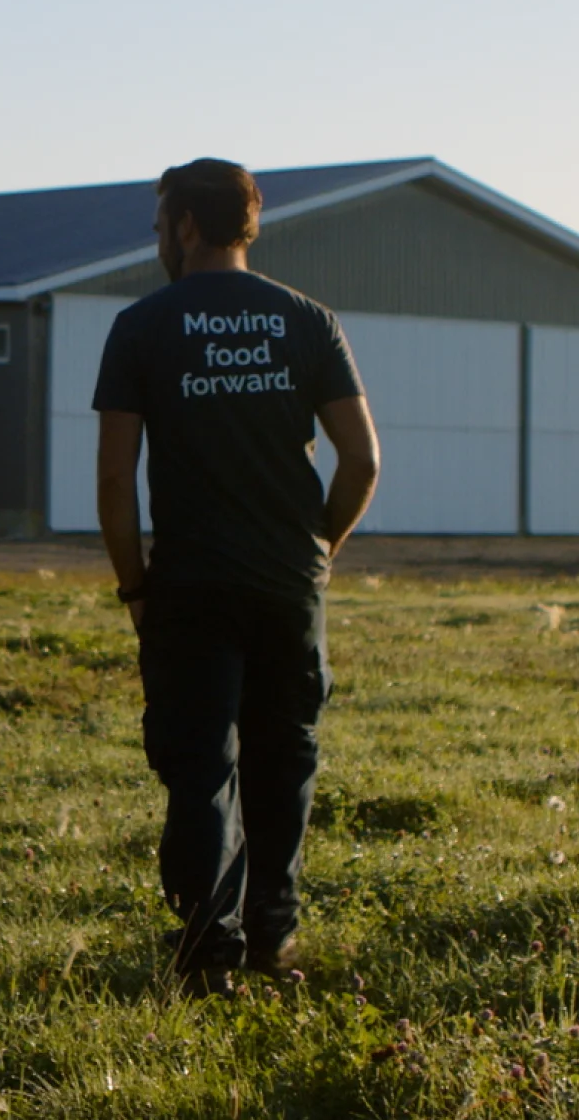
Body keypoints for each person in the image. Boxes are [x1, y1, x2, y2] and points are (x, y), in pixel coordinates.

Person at [93, 159, 379, 994]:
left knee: (199, 766)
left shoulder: (142, 326)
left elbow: (115, 481)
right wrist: (318, 547)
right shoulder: (308, 320)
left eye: (158, 226)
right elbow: (361, 457)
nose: (158, 242)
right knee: (284, 759)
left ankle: (205, 951)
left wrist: (136, 586)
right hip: (289, 583)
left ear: (185, 225)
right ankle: (271, 941)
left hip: (188, 587)